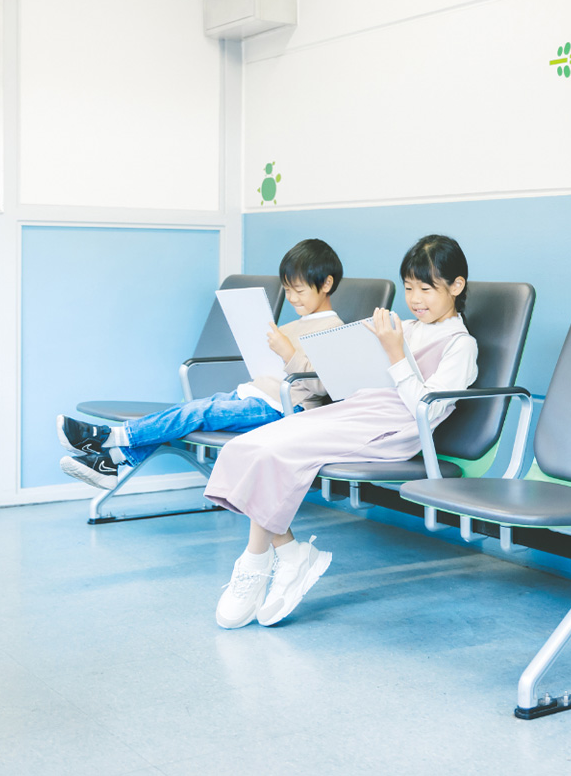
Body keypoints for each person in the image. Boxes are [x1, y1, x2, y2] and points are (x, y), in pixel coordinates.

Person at [204, 234, 478, 629]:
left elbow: (424, 406)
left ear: (456, 286)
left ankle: (256, 559)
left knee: (277, 450)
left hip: (393, 428)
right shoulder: (406, 327)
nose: (416, 298)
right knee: (249, 444)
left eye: (427, 288)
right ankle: (286, 554)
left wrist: (394, 351)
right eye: (409, 288)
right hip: (358, 410)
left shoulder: (460, 344)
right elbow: (361, 382)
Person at [56, 238, 345, 490]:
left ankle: (106, 438)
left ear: (326, 283)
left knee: (197, 411)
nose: (292, 298)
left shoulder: (334, 328)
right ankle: (113, 463)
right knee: (183, 412)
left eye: (299, 290)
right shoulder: (295, 325)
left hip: (283, 408)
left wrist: (287, 352)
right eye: (288, 290)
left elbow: (321, 385)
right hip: (255, 396)